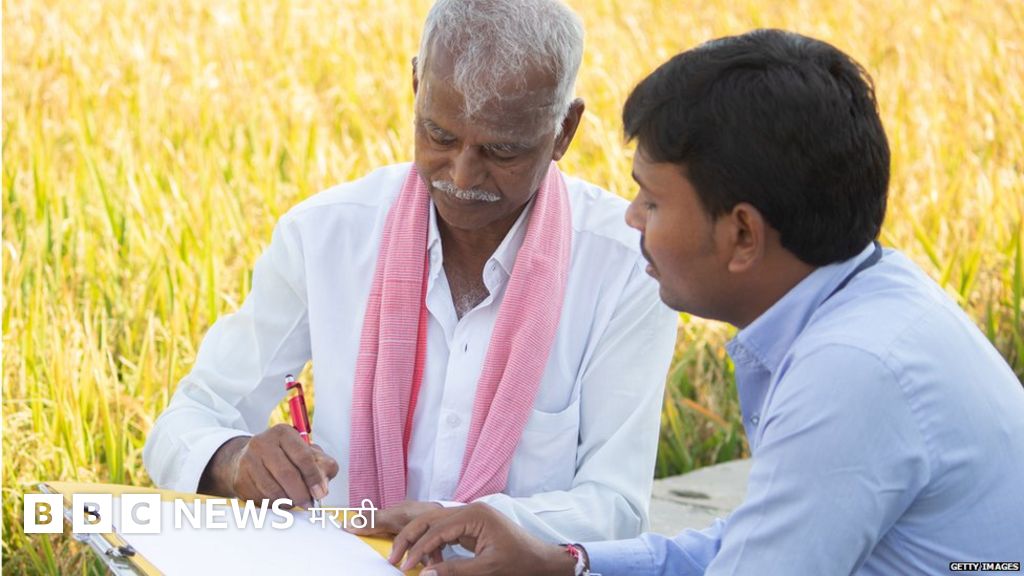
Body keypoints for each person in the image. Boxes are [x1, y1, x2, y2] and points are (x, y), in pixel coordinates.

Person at [387, 29, 1024, 575]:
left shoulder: (852, 372)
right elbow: (749, 543)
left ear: (742, 234)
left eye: (652, 200)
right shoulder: (876, 297)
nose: (632, 218)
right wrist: (565, 562)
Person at [141, 0, 678, 544]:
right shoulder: (324, 235)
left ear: (564, 130)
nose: (462, 175)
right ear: (417, 86)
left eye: (501, 151)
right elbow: (187, 421)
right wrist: (235, 459)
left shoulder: (627, 268)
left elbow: (616, 506)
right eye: (439, 136)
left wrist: (459, 524)